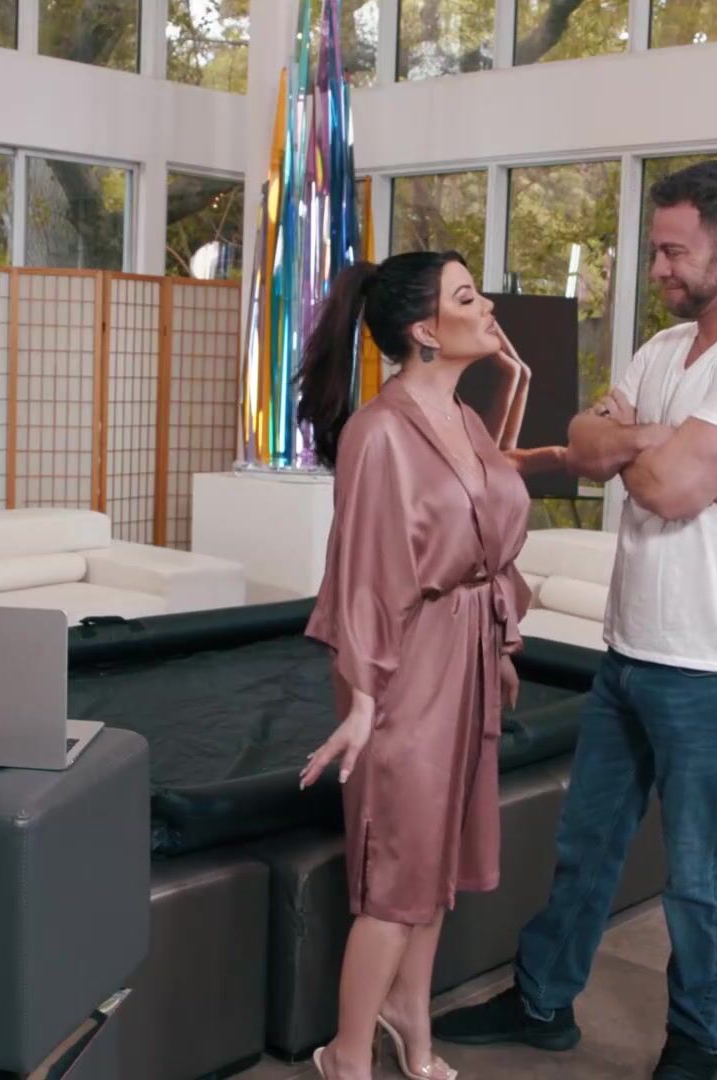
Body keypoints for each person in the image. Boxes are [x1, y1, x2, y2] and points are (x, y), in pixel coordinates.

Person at [430, 160, 717, 1080]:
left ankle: (699, 1045)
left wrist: (643, 448)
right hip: (631, 649)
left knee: (698, 872)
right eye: (657, 251)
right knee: (586, 844)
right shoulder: (663, 349)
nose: (657, 269)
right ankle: (543, 1004)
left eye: (673, 252)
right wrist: (653, 440)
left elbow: (669, 489)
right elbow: (581, 445)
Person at [296, 250, 535, 1080]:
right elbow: (362, 571)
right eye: (467, 297)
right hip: (402, 664)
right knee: (399, 871)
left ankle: (410, 1019)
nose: (487, 305)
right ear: (426, 331)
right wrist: (364, 702)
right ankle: (345, 1054)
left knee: (438, 863)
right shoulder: (379, 433)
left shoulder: (467, 420)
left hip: (466, 652)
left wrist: (502, 644)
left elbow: (492, 537)